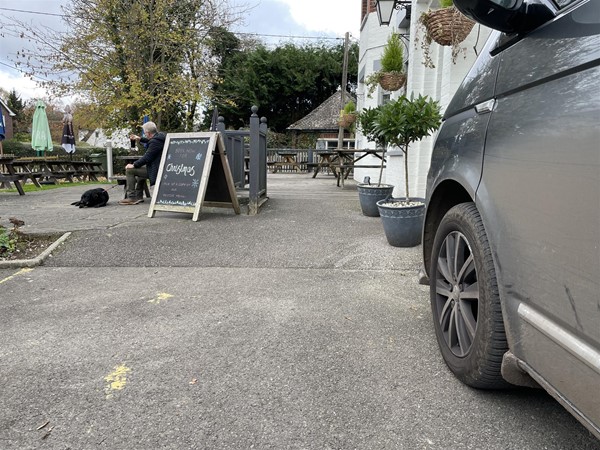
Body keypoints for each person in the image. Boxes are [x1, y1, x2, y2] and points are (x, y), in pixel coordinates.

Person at [118, 121, 166, 205]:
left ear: (148, 133)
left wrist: (133, 165)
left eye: (145, 133)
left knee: (130, 170)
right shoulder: (160, 137)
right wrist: (140, 139)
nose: (145, 134)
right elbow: (150, 141)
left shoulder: (155, 142)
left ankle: (132, 197)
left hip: (156, 170)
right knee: (141, 168)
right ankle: (139, 196)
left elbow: (147, 158)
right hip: (160, 167)